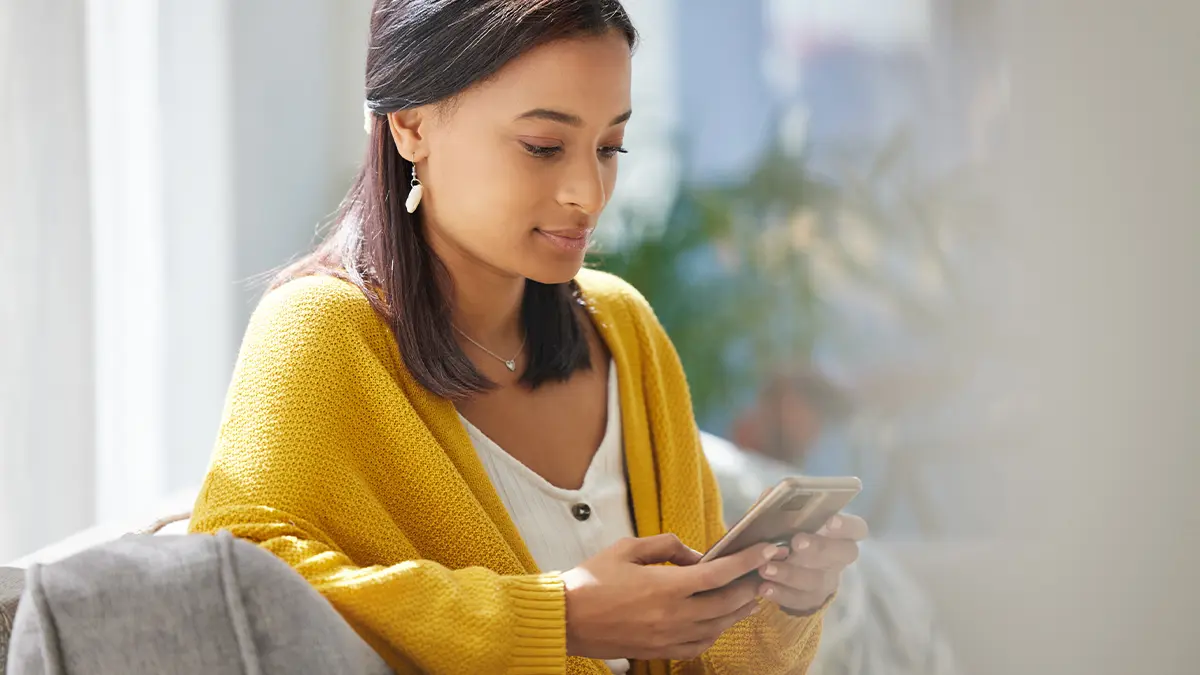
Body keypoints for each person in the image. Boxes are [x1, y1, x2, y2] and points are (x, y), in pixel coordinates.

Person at [189, 1, 867, 674]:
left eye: (609, 148)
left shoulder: (624, 329)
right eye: (543, 147)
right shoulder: (319, 330)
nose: (589, 193)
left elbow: (712, 660)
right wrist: (559, 617)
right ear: (409, 125)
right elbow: (231, 587)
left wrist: (778, 599)